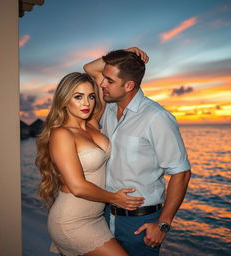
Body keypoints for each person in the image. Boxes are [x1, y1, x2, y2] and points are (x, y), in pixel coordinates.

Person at [83, 47, 191, 256]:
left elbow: (182, 173)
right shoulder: (110, 107)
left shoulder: (157, 118)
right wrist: (126, 51)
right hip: (104, 215)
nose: (102, 84)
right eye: (104, 78)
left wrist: (163, 224)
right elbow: (89, 68)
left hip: (140, 223)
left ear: (129, 85)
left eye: (109, 81)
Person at [35, 72, 144, 256]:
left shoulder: (92, 124)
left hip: (96, 218)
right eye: (78, 97)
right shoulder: (62, 134)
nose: (86, 103)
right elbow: (77, 186)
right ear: (65, 100)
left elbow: (94, 70)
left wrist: (127, 52)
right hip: (72, 221)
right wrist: (114, 198)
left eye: (91, 96)